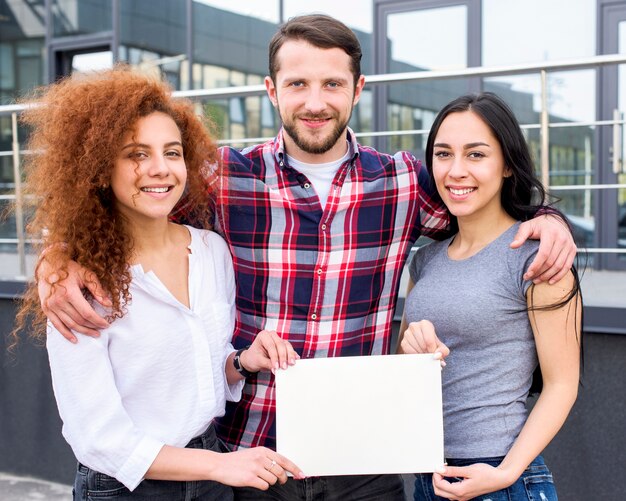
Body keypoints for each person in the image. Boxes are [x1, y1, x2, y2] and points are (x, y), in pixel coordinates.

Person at [35, 15, 577, 501]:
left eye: (332, 84)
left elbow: (484, 207)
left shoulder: (405, 182)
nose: (314, 101)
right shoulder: (222, 178)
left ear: (358, 89)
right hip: (250, 460)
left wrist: (550, 221)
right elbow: (128, 206)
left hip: (366, 460)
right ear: (272, 89)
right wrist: (59, 255)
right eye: (297, 83)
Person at [12, 67, 303, 500]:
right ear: (98, 168)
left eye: (172, 152)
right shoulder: (77, 284)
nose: (160, 169)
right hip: (129, 489)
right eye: (136, 154)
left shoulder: (210, 252)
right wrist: (222, 465)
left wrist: (243, 362)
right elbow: (100, 440)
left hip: (211, 479)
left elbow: (199, 378)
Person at [397, 92, 582, 501]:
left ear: (508, 166)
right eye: (443, 154)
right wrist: (410, 348)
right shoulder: (425, 260)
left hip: (501, 479)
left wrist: (506, 472)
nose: (456, 170)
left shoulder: (539, 257)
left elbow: (562, 385)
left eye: (476, 155)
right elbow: (408, 373)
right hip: (430, 479)